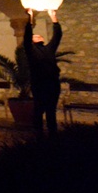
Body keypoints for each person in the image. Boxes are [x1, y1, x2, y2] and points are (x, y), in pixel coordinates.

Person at [23, 8, 62, 137]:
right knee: (39, 109)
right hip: (39, 83)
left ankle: (53, 133)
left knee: (51, 110)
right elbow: (27, 35)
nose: (37, 35)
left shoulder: (49, 49)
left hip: (53, 83)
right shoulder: (30, 50)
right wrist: (30, 18)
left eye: (39, 35)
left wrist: (54, 18)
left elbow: (57, 36)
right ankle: (38, 133)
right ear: (32, 40)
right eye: (35, 36)